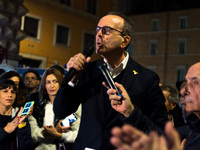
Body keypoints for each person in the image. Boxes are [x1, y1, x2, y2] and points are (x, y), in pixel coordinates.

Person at [53, 11, 168, 150]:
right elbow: (60, 111)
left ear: (125, 41)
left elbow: (160, 133)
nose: (99, 35)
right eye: (97, 30)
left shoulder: (147, 79)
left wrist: (131, 112)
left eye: (106, 31)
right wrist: (71, 81)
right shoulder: (86, 71)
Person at [28, 67, 81, 150]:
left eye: (55, 81)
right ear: (44, 85)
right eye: (48, 82)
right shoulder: (37, 107)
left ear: (61, 83)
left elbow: (78, 134)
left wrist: (59, 135)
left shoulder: (73, 105)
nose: (51, 86)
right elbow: (31, 135)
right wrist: (48, 132)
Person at [0, 79, 33, 150]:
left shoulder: (19, 114)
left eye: (13, 92)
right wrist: (5, 130)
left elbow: (27, 147)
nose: (10, 95)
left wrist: (22, 125)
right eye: (5, 91)